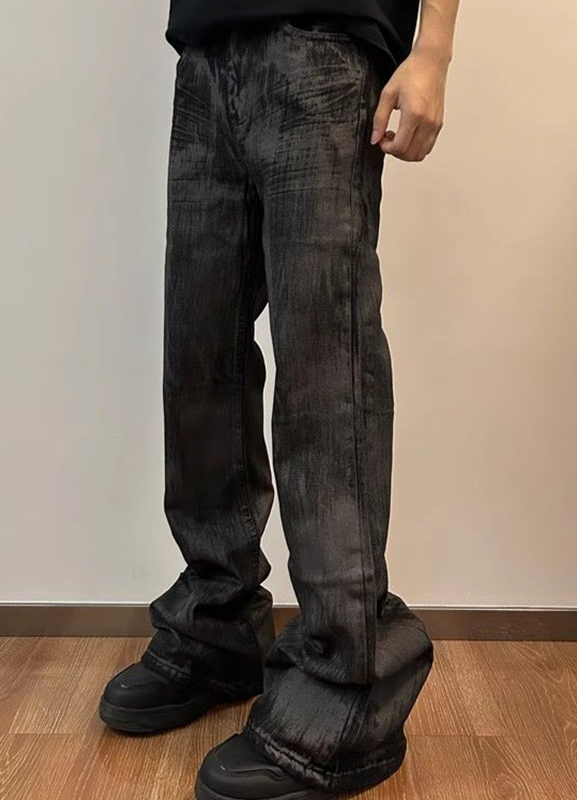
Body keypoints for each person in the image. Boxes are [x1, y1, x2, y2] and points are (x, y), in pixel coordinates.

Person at [99, 2, 459, 798]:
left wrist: (432, 50)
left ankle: (345, 685)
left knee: (326, 367)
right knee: (201, 360)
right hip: (205, 52)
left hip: (327, 45)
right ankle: (217, 624)